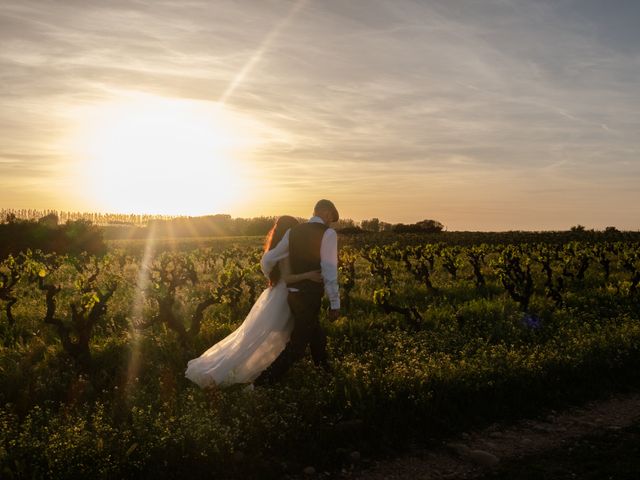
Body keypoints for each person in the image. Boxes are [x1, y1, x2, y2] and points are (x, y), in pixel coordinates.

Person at [184, 215, 322, 388]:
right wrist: (309, 275)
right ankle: (253, 375)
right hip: (283, 297)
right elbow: (287, 278)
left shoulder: (275, 249)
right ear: (289, 233)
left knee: (256, 337)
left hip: (276, 295)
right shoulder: (285, 252)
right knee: (265, 338)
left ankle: (283, 369)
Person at [254, 199, 340, 385]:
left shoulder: (293, 232)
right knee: (298, 346)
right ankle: (262, 383)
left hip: (293, 296)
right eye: (331, 218)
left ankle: (326, 373)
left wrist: (273, 277)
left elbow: (268, 258)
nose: (330, 222)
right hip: (309, 296)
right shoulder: (329, 233)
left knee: (317, 335)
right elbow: (329, 269)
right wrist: (335, 303)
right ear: (326, 213)